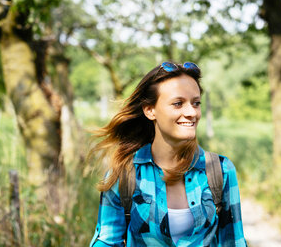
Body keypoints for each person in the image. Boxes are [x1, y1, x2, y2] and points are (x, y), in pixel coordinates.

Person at [89, 62, 247, 246]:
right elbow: (107, 241)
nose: (191, 112)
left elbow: (234, 242)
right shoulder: (124, 175)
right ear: (150, 110)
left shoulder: (220, 170)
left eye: (196, 103)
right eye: (178, 103)